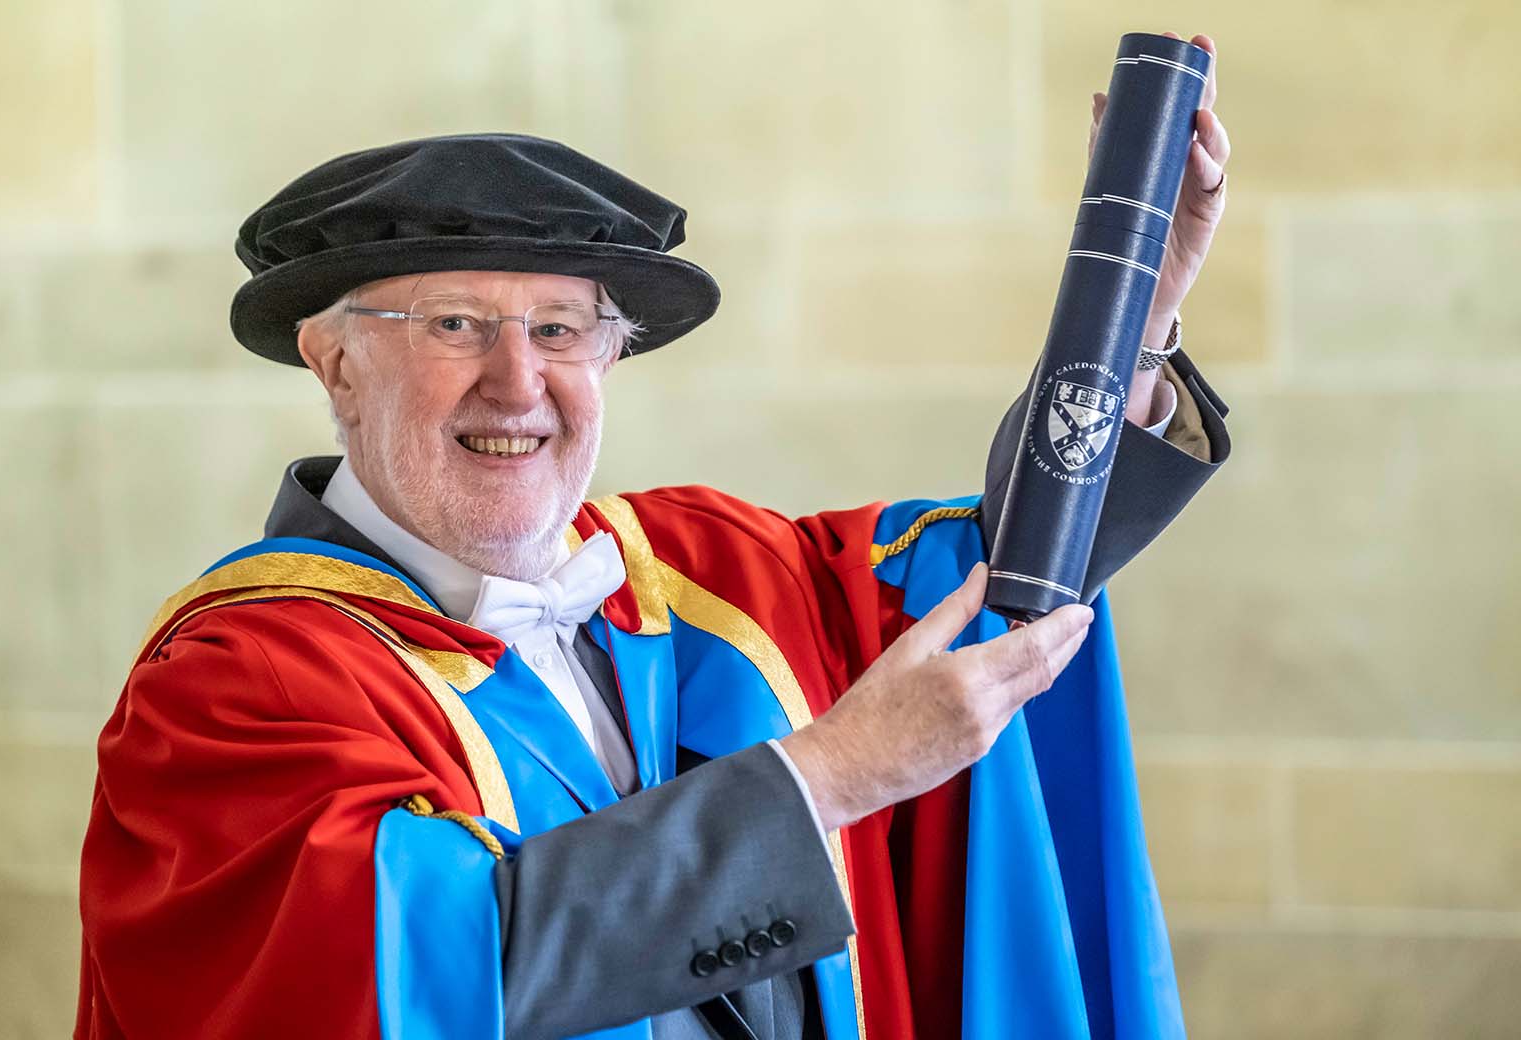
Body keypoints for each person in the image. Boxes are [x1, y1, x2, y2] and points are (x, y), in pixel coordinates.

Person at [77, 37, 1233, 1040]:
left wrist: (1127, 328)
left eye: (562, 327)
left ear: (612, 356)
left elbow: (1000, 583)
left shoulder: (705, 576)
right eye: (457, 325)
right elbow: (428, 972)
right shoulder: (232, 690)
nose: (518, 381)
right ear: (335, 360)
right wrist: (833, 772)